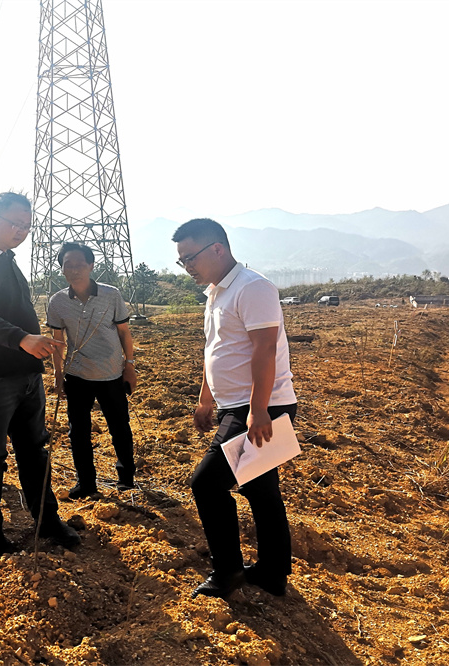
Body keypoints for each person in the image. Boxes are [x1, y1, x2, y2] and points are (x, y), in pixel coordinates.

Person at [172, 218, 298, 599]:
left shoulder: (252, 287)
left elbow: (264, 349)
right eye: (181, 260)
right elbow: (216, 350)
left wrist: (258, 410)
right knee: (260, 489)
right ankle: (272, 574)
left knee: (206, 484)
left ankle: (226, 572)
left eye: (190, 257)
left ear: (217, 249)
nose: (187, 266)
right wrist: (205, 398)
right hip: (239, 406)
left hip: (260, 406)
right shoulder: (215, 293)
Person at [0, 191, 81, 557]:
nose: (22, 231)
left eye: (27, 225)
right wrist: (23, 339)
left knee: (34, 451)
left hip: (25, 373)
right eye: (15, 224)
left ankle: (46, 520)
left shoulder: (5, 258)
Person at [46, 242, 137, 498]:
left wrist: (129, 366)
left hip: (111, 373)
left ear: (91, 266)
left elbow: (124, 332)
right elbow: (57, 342)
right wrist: (58, 374)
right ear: (61, 269)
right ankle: (86, 483)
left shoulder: (111, 295)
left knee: (120, 427)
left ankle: (126, 479)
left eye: (79, 264)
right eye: (68, 265)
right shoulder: (57, 302)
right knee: (78, 432)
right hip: (77, 375)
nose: (74, 270)